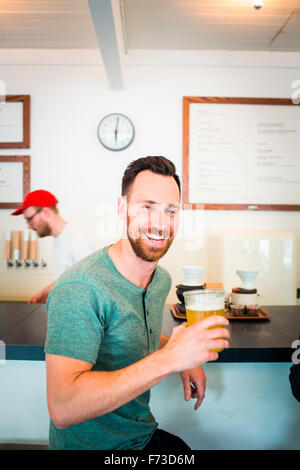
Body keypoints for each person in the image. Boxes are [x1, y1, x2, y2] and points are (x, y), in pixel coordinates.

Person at [45, 156, 230, 450]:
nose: (160, 223)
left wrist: (181, 352)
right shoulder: (80, 288)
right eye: (147, 207)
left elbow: (132, 331)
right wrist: (170, 359)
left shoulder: (160, 281)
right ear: (122, 209)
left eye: (171, 210)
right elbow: (62, 408)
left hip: (140, 436)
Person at [11, 189, 95, 303]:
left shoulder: (77, 240)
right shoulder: (60, 238)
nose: (29, 226)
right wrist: (44, 292)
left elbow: (90, 285)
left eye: (30, 219)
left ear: (45, 212)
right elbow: (71, 276)